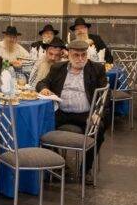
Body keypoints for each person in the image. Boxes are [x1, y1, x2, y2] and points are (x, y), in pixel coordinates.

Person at [37, 39, 109, 177]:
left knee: (98, 129)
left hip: (86, 114)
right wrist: (44, 88)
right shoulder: (58, 68)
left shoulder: (96, 69)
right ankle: (58, 164)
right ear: (68, 54)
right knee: (40, 125)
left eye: (83, 55)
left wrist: (97, 113)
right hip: (61, 112)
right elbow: (42, 82)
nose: (80, 58)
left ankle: (85, 169)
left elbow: (106, 95)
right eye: (76, 55)